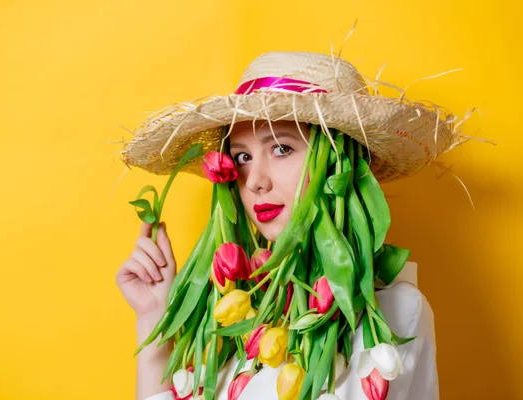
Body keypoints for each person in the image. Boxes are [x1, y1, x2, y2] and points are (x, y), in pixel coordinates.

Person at [116, 51, 465, 400]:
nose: (254, 181)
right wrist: (154, 320)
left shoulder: (390, 314)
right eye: (242, 157)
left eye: (282, 148)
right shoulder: (238, 309)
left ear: (337, 166)